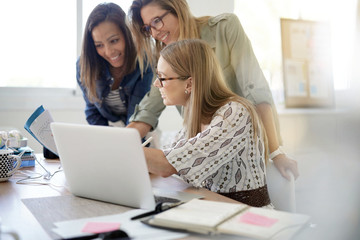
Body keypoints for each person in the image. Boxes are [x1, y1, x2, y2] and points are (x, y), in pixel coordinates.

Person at [127, 0, 299, 180]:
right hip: (208, 158)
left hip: (239, 146)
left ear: (177, 9)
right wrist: (116, 144)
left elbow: (255, 92)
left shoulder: (224, 29)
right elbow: (148, 110)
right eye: (148, 28)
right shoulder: (168, 56)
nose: (155, 32)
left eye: (156, 21)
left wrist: (275, 152)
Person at [143, 39, 272, 207]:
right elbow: (173, 160)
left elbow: (167, 165)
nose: (156, 83)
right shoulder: (193, 116)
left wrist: (122, 149)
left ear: (189, 83)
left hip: (249, 216)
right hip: (215, 208)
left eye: (162, 77)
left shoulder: (234, 113)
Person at [76, 2, 152, 127]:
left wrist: (127, 141)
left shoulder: (144, 63)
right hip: (108, 127)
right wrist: (105, 138)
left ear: (126, 35)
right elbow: (92, 112)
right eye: (99, 45)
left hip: (139, 126)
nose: (109, 52)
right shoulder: (84, 66)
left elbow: (137, 116)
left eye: (114, 40)